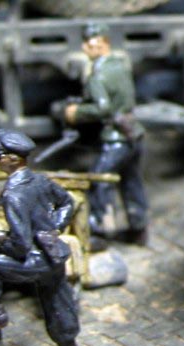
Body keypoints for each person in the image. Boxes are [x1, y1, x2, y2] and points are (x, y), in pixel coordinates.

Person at [0, 129, 84, 346]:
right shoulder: (40, 180)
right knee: (57, 299)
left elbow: (20, 246)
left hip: (35, 258)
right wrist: (54, 228)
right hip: (53, 252)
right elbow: (66, 202)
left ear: (11, 159)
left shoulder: (13, 195)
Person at [64, 22, 149, 245]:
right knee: (131, 181)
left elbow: (103, 108)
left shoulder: (98, 74)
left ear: (103, 44)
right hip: (133, 133)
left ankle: (99, 230)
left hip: (116, 137)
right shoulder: (119, 66)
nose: (85, 48)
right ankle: (139, 227)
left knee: (99, 180)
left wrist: (76, 112)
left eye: (89, 44)